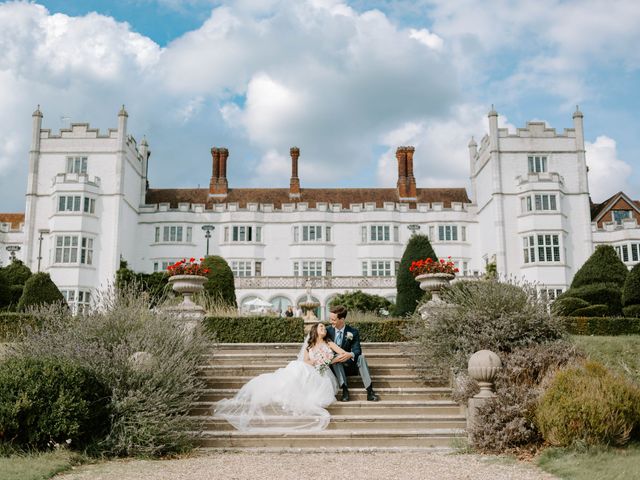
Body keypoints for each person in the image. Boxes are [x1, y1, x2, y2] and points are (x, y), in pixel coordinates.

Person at [214, 322, 348, 431]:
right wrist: (313, 362)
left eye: (324, 327)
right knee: (297, 365)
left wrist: (328, 360)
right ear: (315, 330)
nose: (324, 328)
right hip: (310, 368)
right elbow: (306, 361)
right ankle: (285, 387)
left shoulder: (329, 343)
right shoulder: (309, 346)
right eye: (321, 327)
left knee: (300, 369)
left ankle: (288, 389)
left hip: (322, 373)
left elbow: (343, 354)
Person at [327, 305, 380, 402]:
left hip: (350, 365)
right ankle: (345, 390)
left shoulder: (353, 332)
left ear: (342, 319)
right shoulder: (327, 331)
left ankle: (370, 391)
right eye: (330, 319)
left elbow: (357, 350)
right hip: (335, 366)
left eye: (333, 319)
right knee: (337, 357)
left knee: (361, 357)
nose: (330, 322)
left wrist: (350, 354)